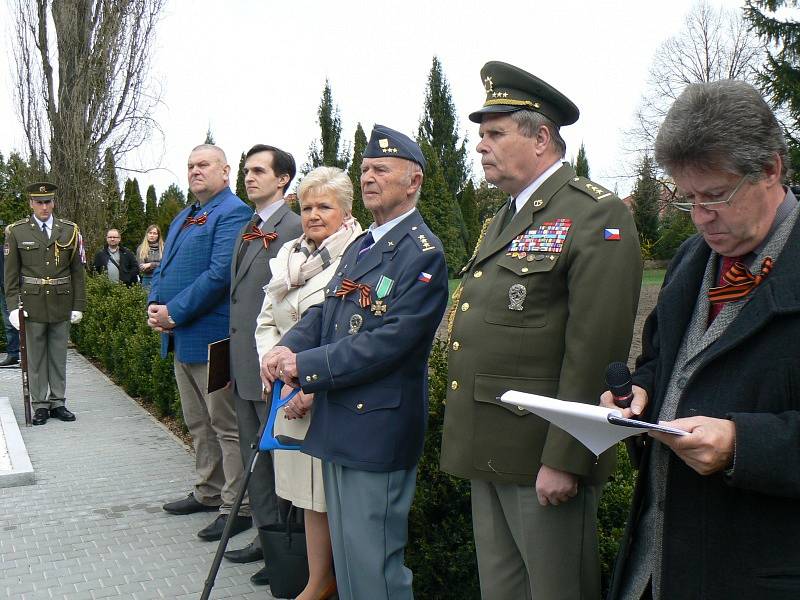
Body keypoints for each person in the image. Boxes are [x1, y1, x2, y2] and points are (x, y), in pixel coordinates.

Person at [439, 61, 642, 600]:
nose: (481, 146)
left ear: (542, 137)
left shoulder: (594, 215)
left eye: (496, 133)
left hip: (541, 456)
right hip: (491, 446)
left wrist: (566, 457)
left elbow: (594, 349)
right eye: (481, 134)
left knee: (556, 591)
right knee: (502, 592)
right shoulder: (505, 216)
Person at [603, 80, 800, 600]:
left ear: (772, 169)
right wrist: (639, 394)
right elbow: (660, 359)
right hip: (656, 560)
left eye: (715, 196)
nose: (698, 217)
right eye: (687, 197)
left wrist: (743, 446)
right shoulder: (692, 261)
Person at [261, 125, 448, 600]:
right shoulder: (364, 245)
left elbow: (388, 342)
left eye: (381, 169)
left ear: (413, 181)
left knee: (374, 570)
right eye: (364, 168)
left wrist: (306, 366)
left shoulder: (422, 253)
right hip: (340, 421)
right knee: (347, 563)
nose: (368, 177)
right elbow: (327, 311)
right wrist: (289, 346)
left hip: (377, 429)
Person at [255, 166, 363, 600]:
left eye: (325, 206)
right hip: (287, 394)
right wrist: (272, 365)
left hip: (328, 398)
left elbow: (352, 335)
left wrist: (310, 388)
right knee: (306, 498)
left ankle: (329, 584)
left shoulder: (357, 254)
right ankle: (319, 580)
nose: (314, 214)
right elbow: (266, 320)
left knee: (331, 499)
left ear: (347, 210)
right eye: (307, 206)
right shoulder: (289, 257)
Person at [148, 144, 253, 541]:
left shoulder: (233, 213)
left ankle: (237, 505)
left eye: (203, 164)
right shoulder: (184, 214)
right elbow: (164, 267)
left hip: (213, 338)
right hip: (181, 339)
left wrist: (173, 311)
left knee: (225, 424)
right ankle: (208, 491)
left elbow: (218, 275)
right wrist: (154, 305)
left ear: (225, 172)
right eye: (190, 165)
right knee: (198, 422)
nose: (195, 171)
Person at [222, 144, 303, 585]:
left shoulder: (292, 227)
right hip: (242, 362)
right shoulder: (249, 227)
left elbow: (290, 305)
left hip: (271, 367)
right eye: (246, 171)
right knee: (254, 452)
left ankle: (283, 544)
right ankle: (264, 535)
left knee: (277, 459)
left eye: (259, 171)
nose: (249, 177)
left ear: (283, 179)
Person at [4, 182, 86, 425]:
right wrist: (12, 308)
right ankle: (40, 404)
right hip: (32, 303)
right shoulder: (17, 232)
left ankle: (58, 401)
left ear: (54, 202)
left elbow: (77, 272)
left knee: (58, 355)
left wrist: (78, 305)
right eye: (39, 202)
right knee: (36, 356)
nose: (44, 207)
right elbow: (10, 276)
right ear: (30, 203)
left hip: (62, 301)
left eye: (48, 201)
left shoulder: (69, 230)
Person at [0, 250, 21, 368]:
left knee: (27, 324)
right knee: (9, 324)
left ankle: (30, 357)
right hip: (5, 289)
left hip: (24, 288)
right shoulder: (3, 249)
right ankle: (13, 355)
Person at [136, 224, 163, 289]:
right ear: (147, 234)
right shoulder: (141, 248)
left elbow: (166, 264)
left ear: (158, 236)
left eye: (155, 233)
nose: (152, 235)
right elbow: (141, 268)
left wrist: (150, 264)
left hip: (162, 279)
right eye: (150, 233)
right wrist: (158, 264)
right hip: (147, 280)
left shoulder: (164, 248)